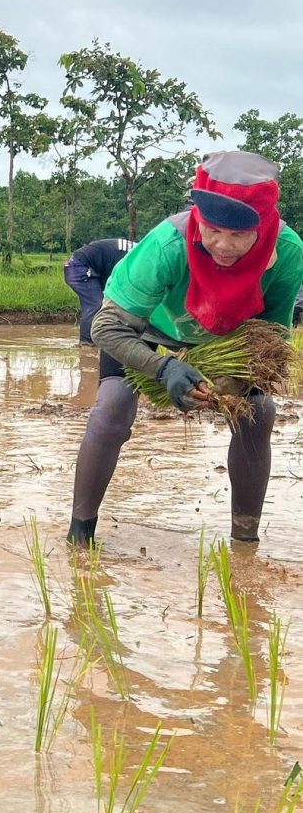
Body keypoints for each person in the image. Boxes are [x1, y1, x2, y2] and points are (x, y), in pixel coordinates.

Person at [66, 151, 303, 547]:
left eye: (240, 236)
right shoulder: (167, 245)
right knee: (112, 409)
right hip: (145, 331)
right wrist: (163, 369)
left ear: (263, 228)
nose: (223, 246)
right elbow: (104, 326)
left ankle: (245, 545)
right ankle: (80, 535)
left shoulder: (288, 252)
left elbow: (271, 335)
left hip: (224, 339)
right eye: (212, 230)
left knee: (259, 413)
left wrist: (232, 380)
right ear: (198, 218)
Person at [64, 238, 136, 344]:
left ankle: (106, 337)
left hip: (88, 266)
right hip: (80, 267)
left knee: (109, 304)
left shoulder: (140, 250)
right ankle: (87, 344)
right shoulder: (143, 258)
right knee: (96, 306)